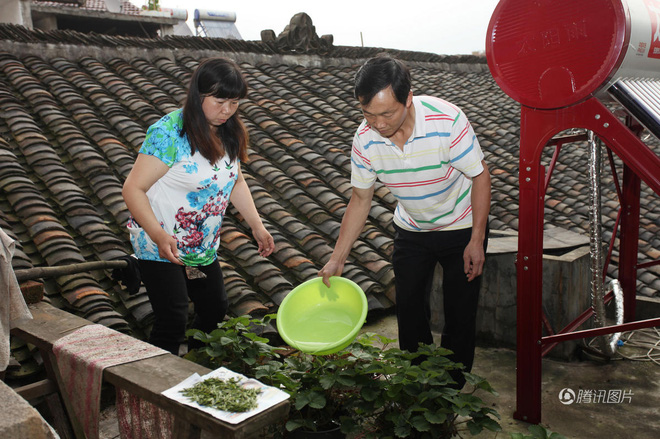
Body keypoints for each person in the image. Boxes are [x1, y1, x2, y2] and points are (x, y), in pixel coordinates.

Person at [319, 55, 491, 388]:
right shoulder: (365, 140)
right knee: (409, 307)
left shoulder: (447, 121)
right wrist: (336, 258)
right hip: (412, 227)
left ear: (408, 97)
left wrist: (476, 239)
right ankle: (418, 382)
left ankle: (450, 391)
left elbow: (480, 177)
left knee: (460, 310)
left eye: (387, 113)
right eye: (368, 114)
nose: (378, 124)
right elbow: (360, 199)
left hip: (461, 224)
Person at [122, 57, 274, 355]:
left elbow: (236, 181)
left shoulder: (230, 131)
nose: (227, 110)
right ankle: (155, 390)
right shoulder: (169, 133)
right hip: (159, 242)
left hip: (201, 244)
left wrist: (257, 225)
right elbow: (132, 188)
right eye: (220, 101)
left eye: (234, 102)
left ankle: (195, 367)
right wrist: (157, 234)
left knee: (215, 311)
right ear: (198, 94)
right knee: (173, 319)